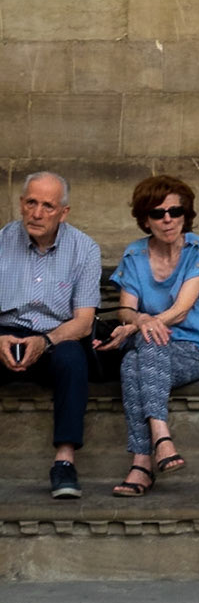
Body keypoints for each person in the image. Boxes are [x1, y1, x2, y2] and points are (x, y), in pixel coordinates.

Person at [96, 173, 199, 495]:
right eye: (158, 213)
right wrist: (139, 321)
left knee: (143, 345)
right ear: (145, 220)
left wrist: (142, 324)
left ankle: (142, 462)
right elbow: (125, 310)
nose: (168, 220)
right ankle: (159, 441)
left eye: (175, 212)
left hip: (194, 349)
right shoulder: (135, 254)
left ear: (185, 215)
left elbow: (181, 310)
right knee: (136, 357)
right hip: (151, 347)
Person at [0, 172, 100, 498]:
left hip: (55, 335)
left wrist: (44, 342)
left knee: (73, 357)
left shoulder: (84, 249)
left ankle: (64, 462)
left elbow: (84, 321)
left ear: (63, 212)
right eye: (31, 203)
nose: (37, 213)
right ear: (21, 204)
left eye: (48, 205)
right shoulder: (1, 242)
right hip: (5, 334)